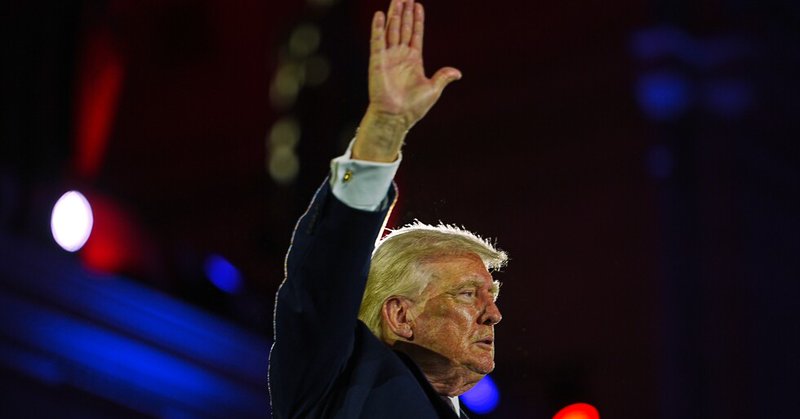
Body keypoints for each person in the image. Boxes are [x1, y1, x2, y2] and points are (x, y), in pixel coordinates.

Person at [268, 0, 508, 417]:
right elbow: (327, 271)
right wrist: (384, 127)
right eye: (469, 294)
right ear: (400, 315)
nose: (494, 314)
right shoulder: (338, 381)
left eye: (491, 294)